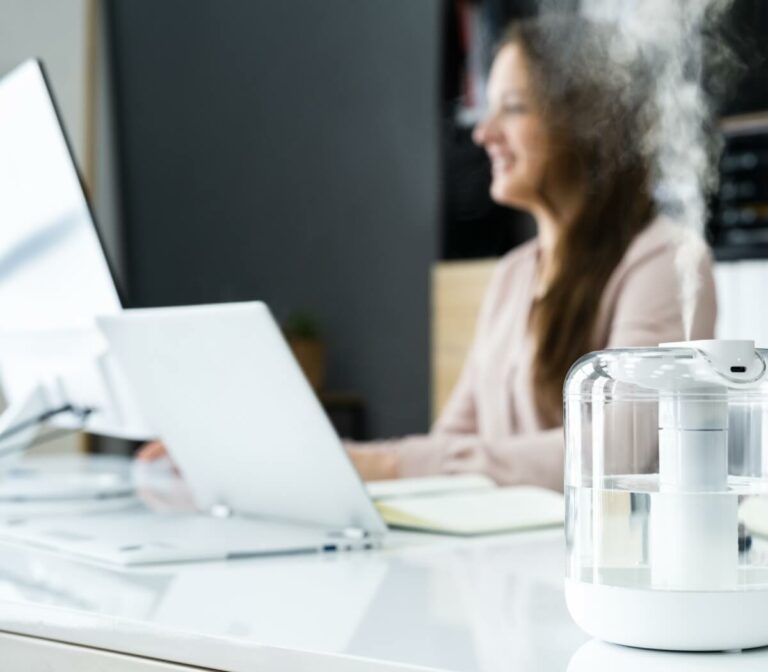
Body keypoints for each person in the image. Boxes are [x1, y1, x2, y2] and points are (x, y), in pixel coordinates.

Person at [139, 16, 717, 492]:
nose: (484, 132)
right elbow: (451, 444)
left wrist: (382, 466)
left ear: (585, 122)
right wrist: (266, 458)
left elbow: (615, 448)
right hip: (501, 575)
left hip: (605, 584)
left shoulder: (666, 263)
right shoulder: (514, 276)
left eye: (513, 108)